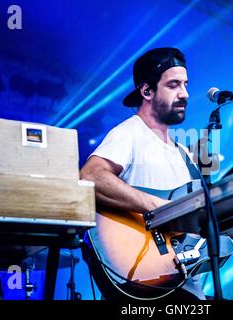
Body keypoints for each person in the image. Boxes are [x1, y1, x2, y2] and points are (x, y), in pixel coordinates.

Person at [80, 47, 206, 300]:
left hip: (183, 280)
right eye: (173, 85)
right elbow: (91, 177)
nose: (185, 94)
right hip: (145, 274)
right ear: (147, 91)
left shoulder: (184, 154)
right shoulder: (129, 133)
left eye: (185, 84)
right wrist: (162, 210)